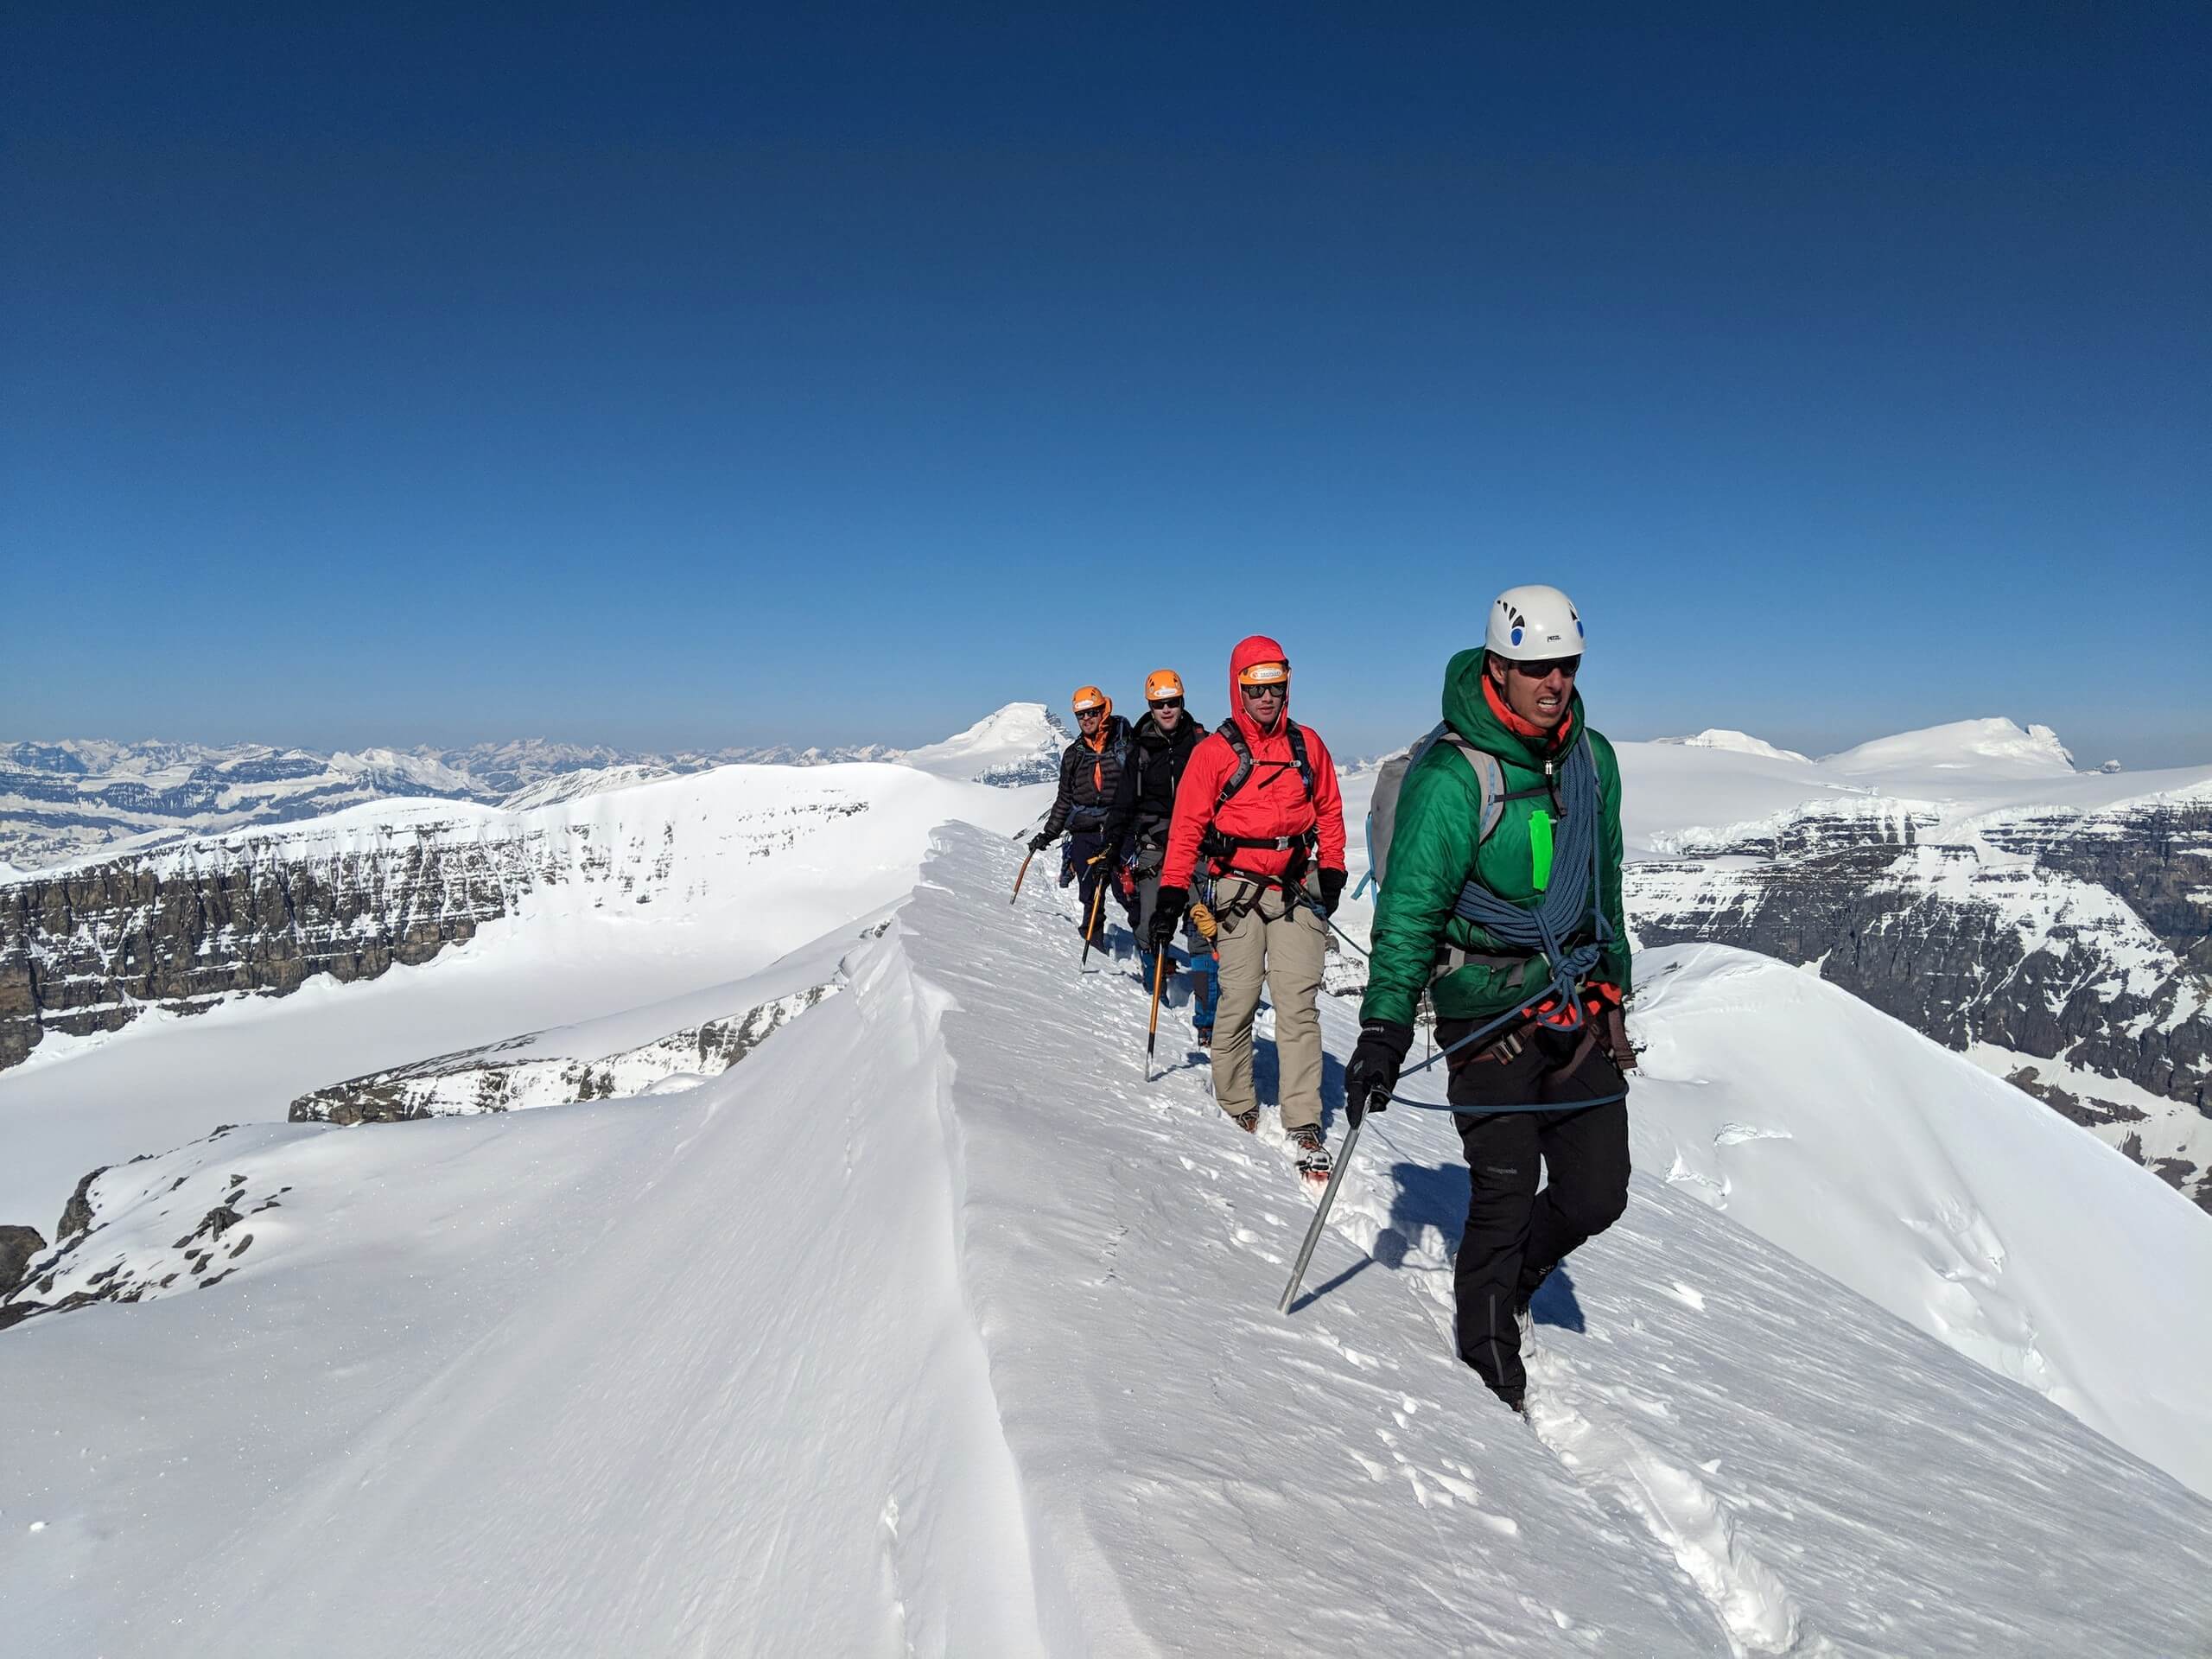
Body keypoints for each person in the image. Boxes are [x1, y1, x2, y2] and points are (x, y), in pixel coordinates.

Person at [1344, 584, 1632, 1416]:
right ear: (1498, 667)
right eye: (1538, 668)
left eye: (1566, 667)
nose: (1555, 684)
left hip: (1574, 996)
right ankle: (1487, 1354)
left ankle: (1518, 1282)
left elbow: (1603, 881)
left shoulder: (1592, 758)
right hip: (1482, 1004)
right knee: (1504, 1187)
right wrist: (1385, 1026)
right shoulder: (1450, 775)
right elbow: (1411, 912)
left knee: (1595, 1191)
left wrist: (1617, 982)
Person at [1151, 637, 1348, 1179]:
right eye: (1255, 687)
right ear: (1239, 688)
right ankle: (1236, 1100)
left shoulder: (1308, 746)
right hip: (1238, 888)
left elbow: (1329, 810)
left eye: (1275, 686)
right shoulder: (1213, 754)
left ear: (1287, 685)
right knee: (1237, 998)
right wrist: (1171, 892)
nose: (1266, 697)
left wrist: (1331, 868)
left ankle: (1302, 1115)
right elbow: (1188, 826)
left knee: (1297, 1002)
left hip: (1295, 885)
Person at [1100, 668, 1218, 1042]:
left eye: (1173, 703)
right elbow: (1122, 804)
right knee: (1148, 925)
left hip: (1197, 846)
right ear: (1150, 707)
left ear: (1182, 703)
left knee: (1203, 931)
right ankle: (1156, 988)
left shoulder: (1204, 745)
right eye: (1159, 704)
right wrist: (1111, 848)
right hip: (1153, 847)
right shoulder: (1139, 751)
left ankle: (1207, 1020)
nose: (1167, 710)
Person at [1031, 685, 1135, 950]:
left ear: (1103, 711)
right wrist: (1049, 833)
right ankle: (1094, 943)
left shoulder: (1126, 745)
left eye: (1091, 712)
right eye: (1081, 715)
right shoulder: (1074, 755)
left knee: (1128, 894)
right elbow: (1064, 798)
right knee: (1090, 895)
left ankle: (1148, 948)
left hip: (1120, 831)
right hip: (1085, 833)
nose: (1086, 719)